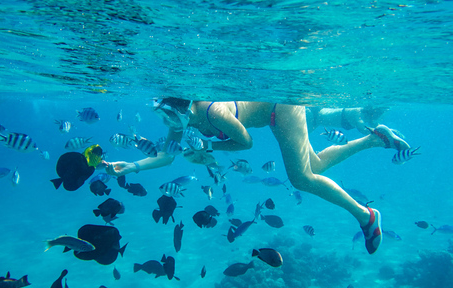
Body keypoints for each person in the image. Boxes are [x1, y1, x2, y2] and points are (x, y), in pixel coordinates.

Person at [105, 99, 410, 254]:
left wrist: (208, 146)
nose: (170, 123)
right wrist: (132, 166)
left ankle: (366, 216)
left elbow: (245, 142)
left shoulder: (213, 113)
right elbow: (166, 154)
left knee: (302, 178)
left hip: (282, 108)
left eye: (171, 117)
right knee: (312, 167)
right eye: (164, 117)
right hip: (276, 114)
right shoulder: (180, 114)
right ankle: (374, 139)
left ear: (183, 108)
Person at [306, 106, 389, 135]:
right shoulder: (358, 114)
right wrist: (379, 134)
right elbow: (364, 130)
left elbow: (375, 125)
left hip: (316, 121)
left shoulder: (365, 117)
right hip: (314, 116)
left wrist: (389, 131)